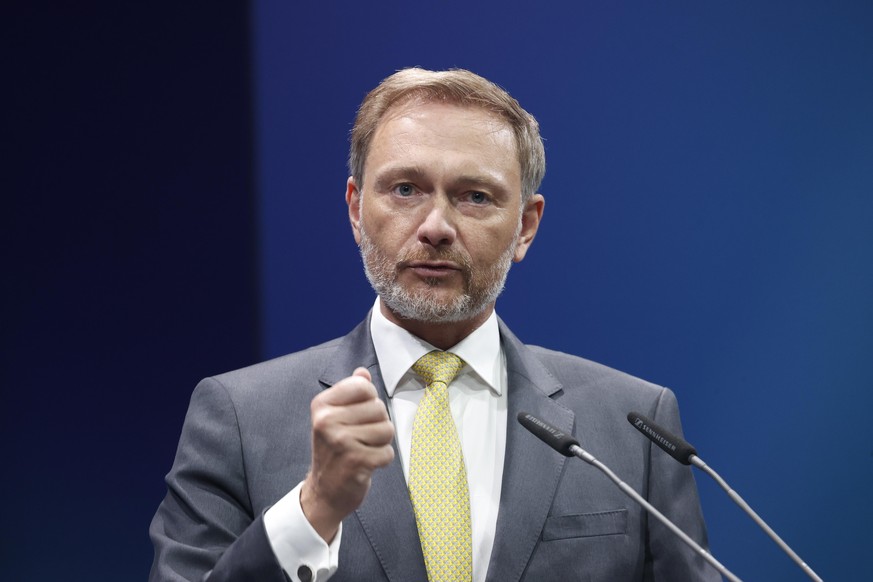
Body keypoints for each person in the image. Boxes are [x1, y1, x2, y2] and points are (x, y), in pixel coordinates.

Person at [150, 67, 719, 582]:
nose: (436, 226)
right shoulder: (240, 418)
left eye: (474, 196)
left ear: (525, 226)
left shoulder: (633, 428)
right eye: (405, 190)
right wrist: (315, 508)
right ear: (354, 208)